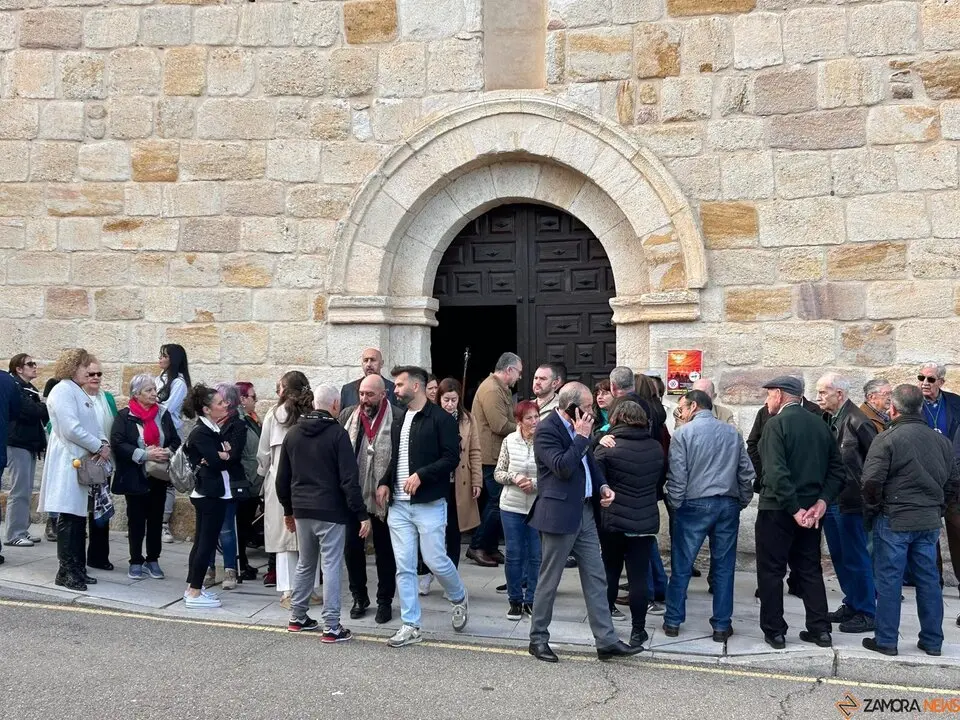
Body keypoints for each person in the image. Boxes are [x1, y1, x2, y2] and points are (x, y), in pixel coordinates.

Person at [527, 382, 643, 663]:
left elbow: (588, 462)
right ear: (571, 407)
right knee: (549, 580)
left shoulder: (582, 429)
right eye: (588, 406)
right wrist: (581, 437)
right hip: (558, 515)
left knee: (596, 576)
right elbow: (563, 468)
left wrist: (602, 486)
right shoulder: (546, 430)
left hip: (585, 513)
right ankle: (538, 638)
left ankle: (606, 641)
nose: (593, 411)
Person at [861, 384, 960, 657]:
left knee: (889, 580)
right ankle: (932, 641)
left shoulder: (888, 438)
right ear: (919, 408)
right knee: (928, 580)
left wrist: (873, 510)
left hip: (894, 518)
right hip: (927, 519)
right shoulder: (941, 440)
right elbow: (952, 482)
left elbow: (871, 481)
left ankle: (886, 640)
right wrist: (937, 507)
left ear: (892, 408)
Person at [375, 366, 469, 648]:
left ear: (416, 386)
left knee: (435, 560)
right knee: (404, 567)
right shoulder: (400, 419)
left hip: (429, 503)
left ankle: (458, 595)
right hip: (399, 507)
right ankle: (411, 624)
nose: (395, 389)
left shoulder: (441, 419)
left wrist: (422, 475)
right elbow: (396, 458)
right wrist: (384, 481)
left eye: (400, 384)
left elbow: (452, 458)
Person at [755, 376, 845, 650]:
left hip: (778, 510)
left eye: (769, 394)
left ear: (780, 395)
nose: (767, 400)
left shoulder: (775, 424)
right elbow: (837, 471)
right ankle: (820, 630)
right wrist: (821, 502)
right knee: (809, 569)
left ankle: (775, 631)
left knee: (771, 571)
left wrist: (795, 509)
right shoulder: (820, 423)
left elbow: (776, 472)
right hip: (810, 511)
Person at [276, 383, 370, 640]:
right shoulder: (338, 435)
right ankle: (331, 625)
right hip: (331, 510)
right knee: (331, 566)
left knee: (306, 563)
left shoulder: (293, 434)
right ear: (336, 405)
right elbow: (349, 480)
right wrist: (361, 514)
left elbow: (281, 479)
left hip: (302, 509)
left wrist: (288, 510)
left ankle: (297, 616)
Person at [663, 390, 754, 642]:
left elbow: (677, 476)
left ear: (694, 406)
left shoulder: (683, 434)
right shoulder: (732, 433)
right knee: (724, 567)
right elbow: (746, 472)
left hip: (693, 503)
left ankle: (672, 621)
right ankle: (721, 626)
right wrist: (742, 500)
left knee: (682, 566)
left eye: (682, 407)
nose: (680, 412)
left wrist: (676, 503)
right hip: (727, 503)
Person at [593, 400, 665, 647]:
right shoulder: (656, 447)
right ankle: (638, 631)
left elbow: (594, 482)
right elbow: (659, 483)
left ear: (615, 419)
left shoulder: (606, 449)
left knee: (610, 571)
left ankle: (606, 625)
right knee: (638, 577)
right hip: (644, 521)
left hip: (612, 521)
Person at [38, 349, 108, 591]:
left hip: (80, 459)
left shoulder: (76, 390)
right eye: (83, 366)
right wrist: (98, 445)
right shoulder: (62, 390)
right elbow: (71, 428)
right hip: (69, 460)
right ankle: (67, 570)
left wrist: (103, 442)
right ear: (71, 368)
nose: (88, 371)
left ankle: (77, 568)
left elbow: (93, 423)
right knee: (69, 516)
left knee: (78, 517)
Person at [814, 373, 878, 635]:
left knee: (856, 557)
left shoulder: (858, 421)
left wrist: (869, 500)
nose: (818, 397)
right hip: (832, 499)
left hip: (851, 501)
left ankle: (866, 611)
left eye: (823, 392)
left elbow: (875, 464)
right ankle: (852, 603)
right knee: (840, 557)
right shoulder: (827, 417)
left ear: (839, 394)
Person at [339, 374, 401, 624]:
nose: (364, 399)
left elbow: (399, 455)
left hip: (384, 495)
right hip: (354, 495)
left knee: (386, 551)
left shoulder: (397, 417)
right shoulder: (347, 416)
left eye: (370, 395)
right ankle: (359, 596)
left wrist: (385, 480)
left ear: (383, 394)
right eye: (361, 394)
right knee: (352, 549)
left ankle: (384, 600)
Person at [258, 372, 321, 608]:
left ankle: (287, 591)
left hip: (278, 483)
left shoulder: (273, 416)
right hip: (309, 482)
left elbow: (263, 453)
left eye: (280, 386)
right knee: (309, 538)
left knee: (284, 541)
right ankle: (311, 589)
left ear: (285, 389)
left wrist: (262, 476)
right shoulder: (313, 414)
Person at [110, 374, 180, 580]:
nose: (153, 393)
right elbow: (118, 442)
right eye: (148, 390)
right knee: (136, 519)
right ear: (136, 394)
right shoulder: (125, 416)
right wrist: (144, 454)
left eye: (153, 389)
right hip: (135, 475)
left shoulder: (163, 414)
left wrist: (166, 451)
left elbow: (176, 439)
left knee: (156, 519)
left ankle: (153, 559)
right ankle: (135, 560)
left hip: (158, 475)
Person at [419, 378, 482, 594]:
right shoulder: (431, 417)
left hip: (459, 483)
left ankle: (451, 579)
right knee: (433, 531)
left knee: (454, 533)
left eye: (454, 400)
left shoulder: (467, 419)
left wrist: (477, 481)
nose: (450, 404)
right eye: (446, 399)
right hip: (438, 481)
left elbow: (474, 451)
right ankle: (427, 573)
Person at [182, 384, 238, 609]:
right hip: (208, 493)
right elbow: (216, 461)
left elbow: (229, 454)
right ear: (207, 409)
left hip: (215, 491)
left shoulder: (212, 429)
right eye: (220, 402)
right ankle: (195, 591)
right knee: (205, 543)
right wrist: (221, 455)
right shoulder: (202, 432)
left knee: (202, 542)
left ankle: (192, 588)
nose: (225, 404)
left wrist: (223, 454)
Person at [467, 352, 522, 568]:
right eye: (518, 372)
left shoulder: (501, 388)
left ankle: (489, 547)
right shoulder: (491, 389)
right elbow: (500, 425)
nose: (519, 377)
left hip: (496, 454)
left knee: (498, 501)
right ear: (509, 370)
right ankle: (477, 546)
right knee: (498, 502)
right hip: (490, 455)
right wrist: (525, 427)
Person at [494, 400, 541, 620]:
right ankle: (515, 600)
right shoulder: (509, 441)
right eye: (529, 418)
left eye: (536, 416)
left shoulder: (545, 441)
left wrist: (534, 483)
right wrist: (515, 477)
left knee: (535, 555)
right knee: (513, 554)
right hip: (511, 506)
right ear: (519, 421)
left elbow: (551, 474)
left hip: (537, 507)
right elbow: (499, 473)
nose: (534, 422)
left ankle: (531, 600)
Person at [916, 361, 960, 588]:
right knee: (928, 539)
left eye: (930, 379)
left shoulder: (955, 403)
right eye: (921, 377)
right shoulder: (911, 403)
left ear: (941, 382)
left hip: (954, 481)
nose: (924, 383)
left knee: (957, 533)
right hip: (925, 480)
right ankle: (933, 585)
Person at [202, 383, 249, 590]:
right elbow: (199, 451)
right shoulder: (205, 424)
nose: (217, 404)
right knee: (208, 528)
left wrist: (215, 455)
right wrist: (219, 453)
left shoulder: (237, 425)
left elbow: (234, 454)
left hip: (229, 482)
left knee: (227, 528)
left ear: (228, 403)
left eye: (220, 400)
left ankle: (230, 569)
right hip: (208, 482)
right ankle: (208, 569)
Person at [4, 354, 46, 548]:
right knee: (19, 490)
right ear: (19, 369)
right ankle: (14, 534)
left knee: (26, 489)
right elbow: (31, 411)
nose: (34, 367)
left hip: (28, 443)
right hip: (17, 442)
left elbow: (38, 411)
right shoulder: (16, 386)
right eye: (30, 364)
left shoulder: (30, 389)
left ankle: (22, 529)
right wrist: (41, 406)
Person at [82, 359, 117, 571]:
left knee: (102, 509)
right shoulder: (77, 397)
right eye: (91, 374)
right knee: (81, 511)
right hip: (84, 462)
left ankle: (98, 555)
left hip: (104, 462)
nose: (95, 378)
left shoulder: (108, 398)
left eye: (99, 374)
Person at [157, 343, 191, 544]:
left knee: (167, 478)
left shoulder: (178, 383)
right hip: (154, 432)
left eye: (164, 356)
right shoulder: (160, 379)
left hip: (170, 434)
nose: (160, 359)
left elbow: (167, 409)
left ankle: (163, 523)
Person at [235, 381, 262, 580]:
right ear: (242, 399)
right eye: (253, 396)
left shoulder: (252, 419)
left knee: (245, 525)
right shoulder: (239, 422)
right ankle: (239, 564)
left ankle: (243, 563)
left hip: (253, 482)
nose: (256, 400)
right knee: (240, 525)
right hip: (246, 482)